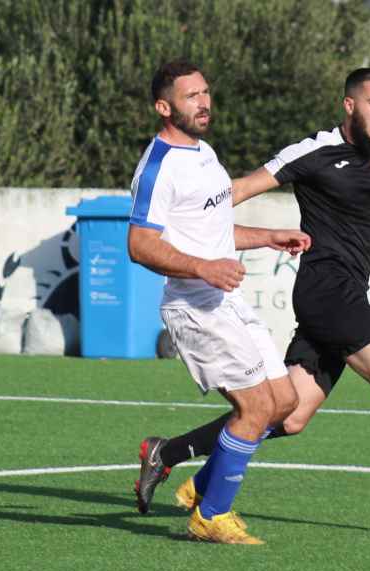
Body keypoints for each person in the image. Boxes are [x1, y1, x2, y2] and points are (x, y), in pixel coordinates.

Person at [134, 67, 370, 526]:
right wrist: (189, 233)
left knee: (288, 414)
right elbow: (236, 191)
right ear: (349, 104)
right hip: (325, 292)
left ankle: (169, 453)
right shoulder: (313, 151)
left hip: (348, 292)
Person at [127, 60, 311, 544]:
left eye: (206, 92)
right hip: (194, 308)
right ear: (163, 107)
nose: (204, 102)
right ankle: (210, 515)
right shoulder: (158, 168)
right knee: (255, 407)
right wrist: (203, 268)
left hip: (226, 300)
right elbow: (140, 245)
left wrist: (267, 236)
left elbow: (212, 231)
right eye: (191, 96)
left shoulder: (204, 153)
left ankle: (183, 471)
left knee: (284, 403)